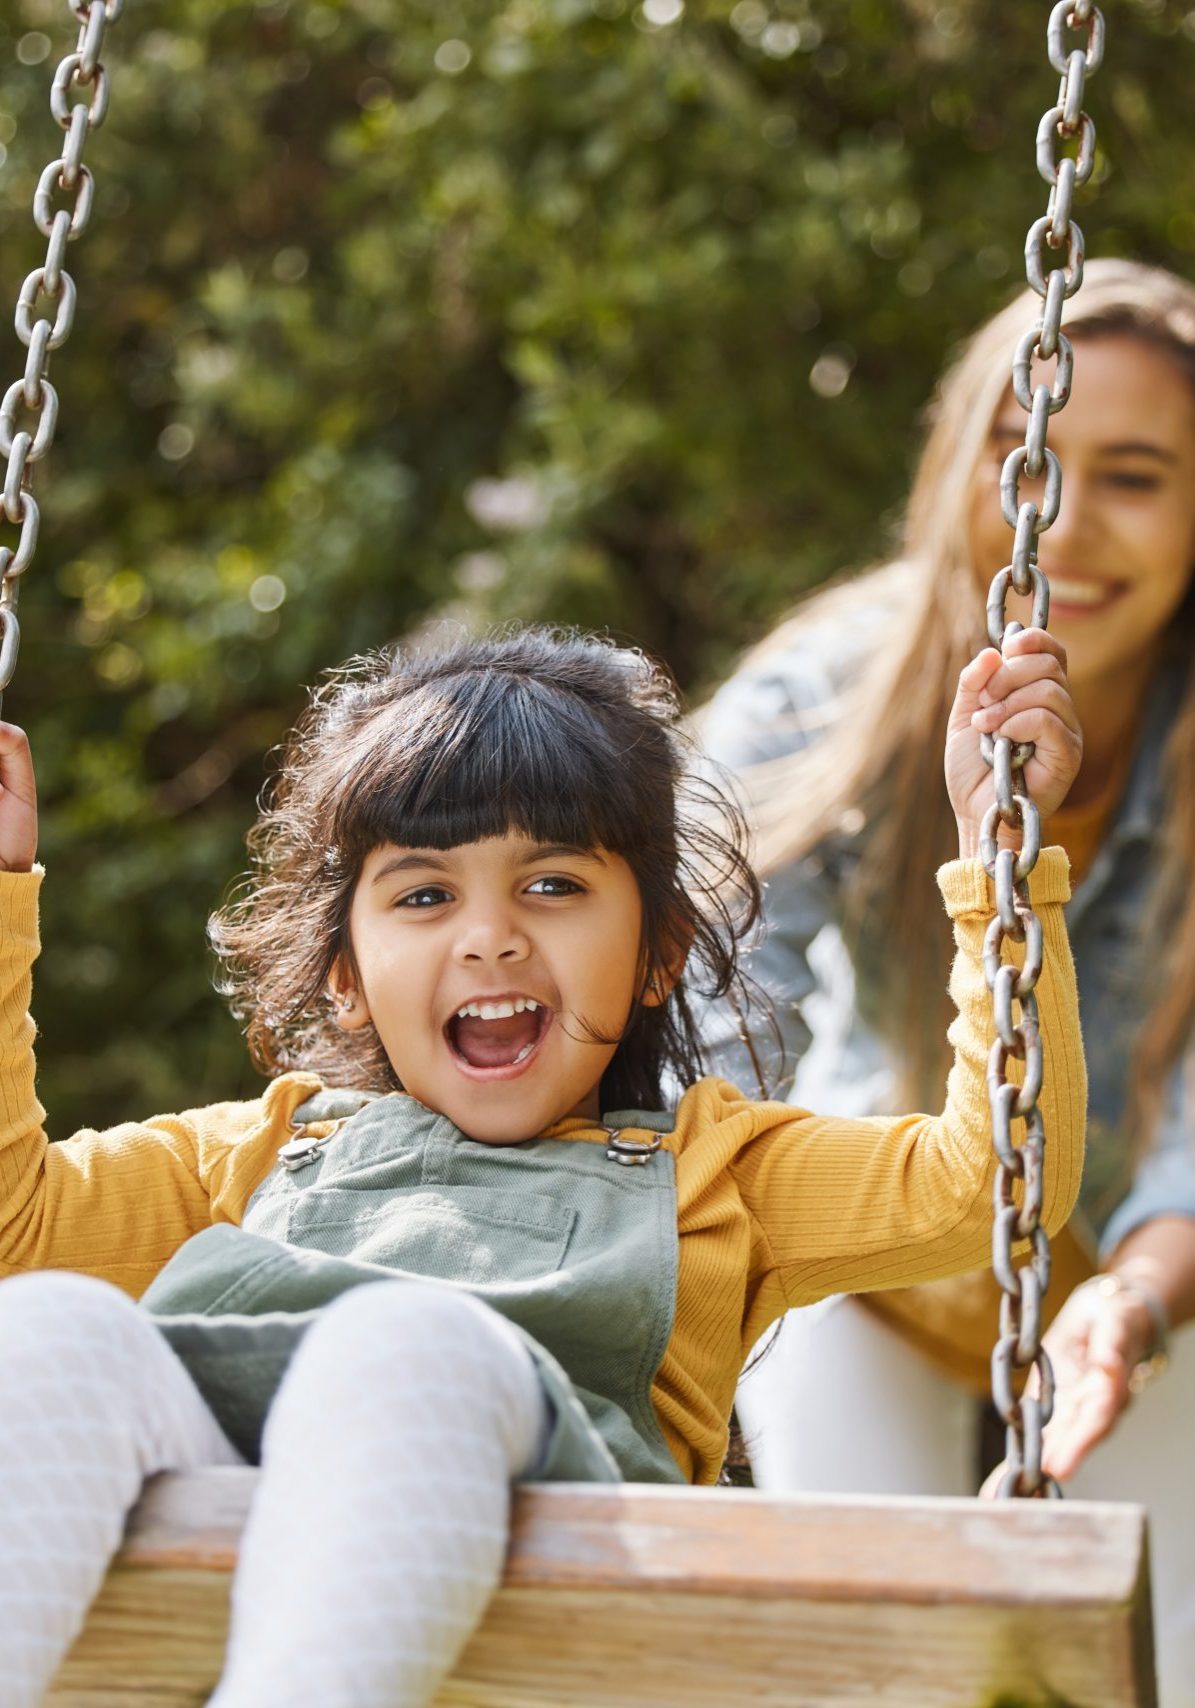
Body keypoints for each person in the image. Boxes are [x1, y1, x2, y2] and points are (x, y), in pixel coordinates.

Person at [0, 624, 1081, 1708]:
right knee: (51, 1330)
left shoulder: (718, 1173)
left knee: (405, 1341)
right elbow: (17, 1230)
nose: (489, 937)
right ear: (345, 973)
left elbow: (988, 1182)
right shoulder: (252, 1154)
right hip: (231, 1545)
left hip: (563, 1608)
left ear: (658, 951)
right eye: (424, 895)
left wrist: (999, 861)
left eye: (553, 886)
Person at [699, 259, 1195, 1705]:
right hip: (879, 1253)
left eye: (1138, 475)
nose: (1065, 522)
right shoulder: (832, 690)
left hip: (1141, 1282)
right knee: (865, 1664)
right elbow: (716, 988)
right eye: (1026, 455)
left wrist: (1140, 1301)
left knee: (1159, 1660)